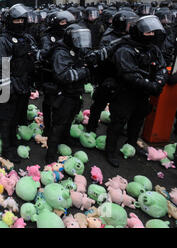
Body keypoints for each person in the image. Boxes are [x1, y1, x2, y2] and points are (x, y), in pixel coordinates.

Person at [105, 15, 168, 167]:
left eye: (153, 32)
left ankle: (131, 143)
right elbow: (129, 74)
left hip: (142, 93)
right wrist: (151, 85)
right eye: (148, 33)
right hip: (125, 92)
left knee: (138, 120)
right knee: (118, 122)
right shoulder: (125, 49)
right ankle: (110, 151)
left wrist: (159, 81)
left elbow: (162, 67)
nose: (151, 35)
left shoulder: (153, 49)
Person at [0, 4, 36, 163]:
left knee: (17, 118)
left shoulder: (26, 37)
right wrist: (7, 88)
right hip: (10, 87)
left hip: (22, 85)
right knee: (6, 119)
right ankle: (7, 149)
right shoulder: (3, 41)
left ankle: (12, 139)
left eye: (22, 20)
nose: (19, 23)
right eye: (16, 20)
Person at [45, 24, 93, 164]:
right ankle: (51, 153)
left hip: (74, 93)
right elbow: (63, 75)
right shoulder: (61, 52)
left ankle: (65, 138)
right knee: (58, 124)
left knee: (69, 119)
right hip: (63, 94)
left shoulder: (76, 50)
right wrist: (84, 71)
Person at [86, 11, 139, 133]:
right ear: (121, 25)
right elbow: (106, 58)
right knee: (99, 103)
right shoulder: (109, 38)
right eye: (130, 24)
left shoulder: (130, 37)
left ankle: (115, 129)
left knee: (119, 107)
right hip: (108, 76)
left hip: (121, 77)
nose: (133, 26)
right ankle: (91, 126)